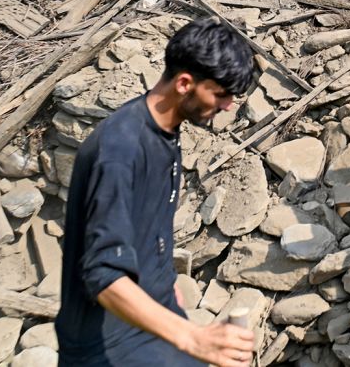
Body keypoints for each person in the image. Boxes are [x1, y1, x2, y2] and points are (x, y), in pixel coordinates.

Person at [56, 19, 258, 367]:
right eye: (221, 94)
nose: (227, 106)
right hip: (107, 341)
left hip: (151, 316)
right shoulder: (120, 149)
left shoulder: (165, 131)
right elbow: (104, 275)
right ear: (184, 83)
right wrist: (194, 337)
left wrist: (166, 286)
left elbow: (147, 229)